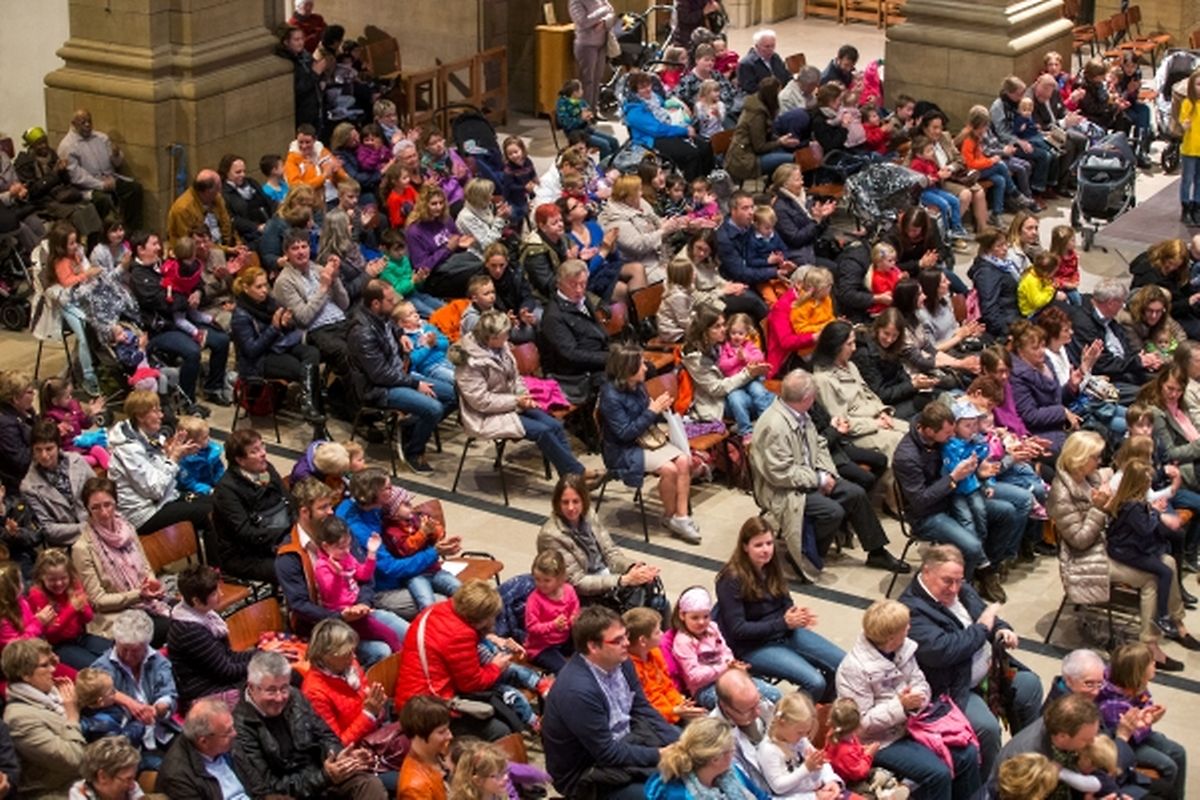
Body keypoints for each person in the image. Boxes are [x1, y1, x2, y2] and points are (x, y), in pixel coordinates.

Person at [899, 544, 1044, 775]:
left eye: (959, 580)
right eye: (948, 581)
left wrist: (1001, 630)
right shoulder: (910, 609)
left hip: (988, 671)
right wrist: (983, 629)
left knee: (1030, 686)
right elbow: (944, 651)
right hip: (952, 686)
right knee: (986, 728)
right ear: (926, 573)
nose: (955, 588)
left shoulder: (960, 588)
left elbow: (986, 614)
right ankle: (989, 785)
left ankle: (1027, 765)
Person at [1048, 432, 1185, 670]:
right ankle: (1150, 647)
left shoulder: (1089, 476)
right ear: (1079, 458)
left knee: (1169, 562)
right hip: (1086, 556)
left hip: (1109, 542)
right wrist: (1101, 509)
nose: (1099, 462)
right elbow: (1079, 540)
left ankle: (1176, 623)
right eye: (1095, 457)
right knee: (1153, 578)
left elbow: (1116, 495)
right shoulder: (1061, 494)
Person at [750, 368, 904, 573]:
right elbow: (780, 474)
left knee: (855, 493)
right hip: (780, 488)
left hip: (807, 476)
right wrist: (818, 480)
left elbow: (818, 445)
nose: (815, 399)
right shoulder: (775, 426)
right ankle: (808, 554)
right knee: (833, 511)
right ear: (806, 398)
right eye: (814, 396)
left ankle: (877, 552)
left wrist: (828, 474)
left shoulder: (798, 413)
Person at [542, 606, 680, 799]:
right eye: (617, 640)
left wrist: (679, 742)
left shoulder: (621, 661)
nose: (626, 643)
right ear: (593, 647)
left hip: (625, 741)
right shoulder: (577, 691)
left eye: (626, 635)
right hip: (586, 772)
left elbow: (641, 709)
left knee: (686, 756)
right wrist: (660, 754)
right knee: (663, 792)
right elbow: (607, 753)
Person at [450, 309, 592, 480]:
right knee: (543, 431)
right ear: (490, 338)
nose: (508, 338)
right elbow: (480, 401)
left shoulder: (500, 346)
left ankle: (571, 476)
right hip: (484, 415)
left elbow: (515, 377)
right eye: (504, 335)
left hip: (511, 403)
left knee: (555, 425)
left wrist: (524, 396)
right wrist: (516, 400)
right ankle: (577, 475)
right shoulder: (469, 363)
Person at [715, 517, 845, 701]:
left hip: (784, 631)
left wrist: (795, 614)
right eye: (758, 545)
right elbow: (738, 630)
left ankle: (816, 709)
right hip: (753, 646)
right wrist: (783, 622)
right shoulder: (731, 579)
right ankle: (791, 718)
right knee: (815, 682)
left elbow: (785, 600)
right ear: (745, 547)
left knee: (842, 664)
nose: (766, 550)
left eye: (769, 543)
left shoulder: (771, 566)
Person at [233, 651, 387, 800]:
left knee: (369, 784)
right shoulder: (241, 726)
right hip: (291, 792)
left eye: (284, 688)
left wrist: (341, 758)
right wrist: (324, 777)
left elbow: (325, 735)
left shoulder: (295, 696)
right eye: (271, 691)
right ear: (252, 687)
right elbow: (267, 788)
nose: (280, 698)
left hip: (322, 775)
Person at [598, 343, 701, 544]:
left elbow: (646, 419)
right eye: (641, 364)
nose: (646, 367)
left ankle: (681, 518)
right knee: (670, 469)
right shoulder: (610, 396)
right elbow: (625, 433)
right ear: (627, 370)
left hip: (644, 438)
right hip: (623, 449)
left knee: (684, 461)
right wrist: (652, 411)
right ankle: (670, 516)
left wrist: (660, 411)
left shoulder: (637, 386)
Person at [395, 581, 522, 741]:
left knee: (500, 706)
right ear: (480, 619)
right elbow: (472, 684)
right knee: (502, 729)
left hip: (413, 698)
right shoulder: (460, 634)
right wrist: (496, 667)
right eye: (491, 617)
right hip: (428, 711)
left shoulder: (437, 610)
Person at [347, 279, 448, 472]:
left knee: (452, 393)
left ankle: (411, 426)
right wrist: (415, 384)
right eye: (390, 301)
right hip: (379, 388)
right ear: (376, 304)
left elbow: (391, 326)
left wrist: (400, 333)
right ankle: (413, 452)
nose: (394, 305)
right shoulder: (362, 333)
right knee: (434, 408)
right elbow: (380, 375)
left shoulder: (380, 316)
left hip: (399, 375)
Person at [128, 231, 230, 410]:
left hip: (184, 317)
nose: (159, 247)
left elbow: (193, 280)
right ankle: (186, 401)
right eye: (154, 244)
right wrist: (187, 298)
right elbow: (164, 303)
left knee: (222, 340)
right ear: (141, 250)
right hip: (161, 328)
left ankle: (213, 387)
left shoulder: (166, 264)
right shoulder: (139, 276)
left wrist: (198, 292)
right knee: (192, 352)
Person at [536, 473, 666, 612]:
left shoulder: (589, 514)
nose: (571, 507)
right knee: (641, 609)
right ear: (557, 503)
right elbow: (577, 582)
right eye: (565, 502)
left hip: (605, 576)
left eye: (576, 501)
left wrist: (632, 568)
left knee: (655, 594)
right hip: (583, 593)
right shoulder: (550, 536)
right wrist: (623, 580)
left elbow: (610, 552)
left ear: (584, 501)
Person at [72, 477, 169, 645]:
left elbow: (145, 567)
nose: (103, 513)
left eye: (107, 504)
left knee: (193, 614)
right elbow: (97, 601)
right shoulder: (82, 548)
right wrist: (138, 595)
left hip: (145, 602)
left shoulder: (127, 528)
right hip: (117, 615)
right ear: (88, 510)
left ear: (115, 503)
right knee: (178, 627)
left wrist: (151, 583)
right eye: (95, 508)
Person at [301, 619, 396, 791]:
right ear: (326, 656)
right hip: (359, 757)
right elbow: (337, 746)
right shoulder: (314, 692)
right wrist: (368, 714)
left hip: (380, 735)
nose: (353, 657)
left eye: (353, 651)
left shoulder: (349, 665)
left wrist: (378, 707)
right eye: (346, 654)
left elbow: (371, 702)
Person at [229, 265, 325, 425]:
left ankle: (310, 406)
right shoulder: (240, 316)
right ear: (246, 288)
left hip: (278, 346)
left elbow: (287, 329)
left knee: (312, 353)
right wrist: (274, 328)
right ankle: (314, 411)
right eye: (258, 287)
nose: (264, 290)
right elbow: (252, 350)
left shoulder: (269, 303)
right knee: (302, 370)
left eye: (265, 285)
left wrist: (286, 323)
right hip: (258, 361)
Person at [1096, 643, 1187, 800]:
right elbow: (1130, 735)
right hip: (1126, 743)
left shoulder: (1135, 684)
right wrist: (1148, 720)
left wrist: (1149, 713)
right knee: (1168, 765)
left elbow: (1145, 701)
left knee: (1178, 752)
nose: (1155, 664)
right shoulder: (1111, 705)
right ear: (1138, 671)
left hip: (1140, 733)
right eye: (1151, 662)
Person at [2, 638, 87, 798]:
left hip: (81, 781)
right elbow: (74, 759)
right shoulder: (19, 719)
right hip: (56, 792)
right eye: (45, 665)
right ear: (25, 675)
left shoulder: (51, 693)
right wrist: (72, 717)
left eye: (52, 663)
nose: (53, 669)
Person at [92, 610, 179, 766]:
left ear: (146, 646)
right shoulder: (102, 668)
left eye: (135, 651)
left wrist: (158, 708)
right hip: (127, 744)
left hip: (161, 731)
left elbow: (168, 693)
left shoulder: (158, 661)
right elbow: (93, 692)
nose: (128, 656)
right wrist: (128, 702)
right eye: (124, 649)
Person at [211, 428, 293, 583]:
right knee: (295, 568)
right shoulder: (226, 490)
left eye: (262, 446)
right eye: (254, 451)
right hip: (245, 554)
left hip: (277, 538)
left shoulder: (266, 468)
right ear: (240, 461)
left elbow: (288, 502)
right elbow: (245, 532)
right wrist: (286, 534)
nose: (263, 454)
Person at [167, 565, 253, 708]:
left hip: (217, 680)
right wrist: (260, 662)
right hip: (204, 694)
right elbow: (226, 671)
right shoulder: (189, 630)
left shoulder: (205, 615)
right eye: (214, 593)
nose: (221, 595)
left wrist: (261, 654)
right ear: (196, 601)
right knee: (271, 685)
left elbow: (227, 656)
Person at [272, 228, 353, 379]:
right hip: (316, 330)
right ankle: (345, 397)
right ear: (286, 253)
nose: (301, 252)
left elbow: (344, 304)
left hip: (340, 321)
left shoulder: (318, 269)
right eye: (295, 248)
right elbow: (303, 318)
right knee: (343, 351)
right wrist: (323, 288)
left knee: (367, 340)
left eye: (304, 246)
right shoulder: (284, 281)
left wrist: (335, 279)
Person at [1069, 277, 1159, 394]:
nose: (1123, 306)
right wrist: (1137, 361)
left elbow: (1125, 345)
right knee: (1147, 394)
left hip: (1124, 367)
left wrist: (1142, 359)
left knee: (1163, 380)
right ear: (1111, 303)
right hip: (1108, 378)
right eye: (1121, 302)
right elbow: (1102, 364)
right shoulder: (1084, 324)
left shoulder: (1109, 318)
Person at [644, 716, 768, 800]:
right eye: (731, 750)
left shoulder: (731, 772)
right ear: (715, 759)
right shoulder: (677, 794)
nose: (734, 752)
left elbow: (761, 797)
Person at [57, 109, 142, 227]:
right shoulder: (67, 146)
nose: (87, 125)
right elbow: (77, 176)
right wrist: (100, 185)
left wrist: (116, 155)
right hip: (88, 187)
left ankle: (131, 229)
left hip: (110, 178)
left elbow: (117, 164)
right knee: (103, 200)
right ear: (74, 124)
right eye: (83, 122)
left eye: (89, 121)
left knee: (134, 189)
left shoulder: (101, 138)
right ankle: (108, 234)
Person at [623, 72, 714, 182]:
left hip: (669, 129)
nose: (647, 89)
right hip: (651, 140)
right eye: (642, 88)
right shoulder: (634, 112)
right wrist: (684, 131)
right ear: (635, 91)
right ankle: (691, 186)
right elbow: (657, 130)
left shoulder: (654, 98)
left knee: (705, 146)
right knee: (691, 154)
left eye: (648, 85)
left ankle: (706, 181)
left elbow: (666, 111)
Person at [155, 698, 252, 800]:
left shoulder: (225, 739)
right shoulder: (178, 777)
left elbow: (256, 783)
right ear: (204, 741)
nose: (234, 733)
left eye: (232, 727)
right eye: (228, 732)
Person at [757, 692, 843, 800]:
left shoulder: (799, 740)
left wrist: (831, 780)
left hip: (816, 790)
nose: (803, 737)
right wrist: (806, 769)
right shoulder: (769, 750)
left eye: (806, 733)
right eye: (800, 732)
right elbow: (778, 787)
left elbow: (820, 761)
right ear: (782, 723)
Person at [22, 419, 92, 549]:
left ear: (58, 446)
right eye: (38, 450)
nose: (44, 455)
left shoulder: (77, 461)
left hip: (97, 527)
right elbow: (48, 529)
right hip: (67, 544)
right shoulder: (28, 486)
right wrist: (87, 528)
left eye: (49, 449)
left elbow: (99, 492)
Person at [726, 78, 800, 183]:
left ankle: (775, 185)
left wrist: (781, 140)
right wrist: (780, 142)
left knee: (788, 151)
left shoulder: (760, 106)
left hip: (751, 152)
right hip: (745, 160)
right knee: (793, 160)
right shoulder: (757, 115)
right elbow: (759, 147)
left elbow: (765, 135)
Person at [396, 695, 452, 800]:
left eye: (448, 729)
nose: (450, 736)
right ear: (419, 736)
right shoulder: (414, 788)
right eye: (441, 732)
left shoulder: (439, 752)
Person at [0, 371, 37, 495]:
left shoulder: (27, 411)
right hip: (20, 484)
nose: (34, 394)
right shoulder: (5, 425)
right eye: (29, 392)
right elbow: (21, 461)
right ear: (16, 398)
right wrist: (45, 444)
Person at [736, 29, 791, 96]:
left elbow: (786, 76)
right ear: (757, 46)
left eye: (773, 46)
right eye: (767, 47)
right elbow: (749, 89)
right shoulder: (746, 64)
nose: (771, 50)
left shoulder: (775, 57)